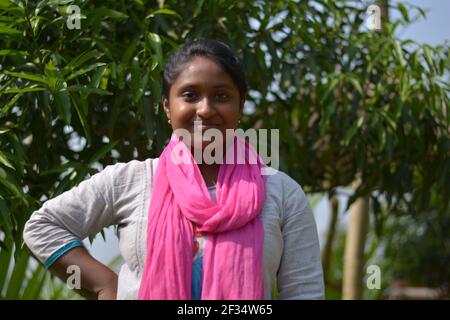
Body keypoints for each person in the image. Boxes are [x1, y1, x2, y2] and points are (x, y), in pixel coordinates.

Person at [23, 39, 324, 300]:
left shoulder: (281, 193)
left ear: (240, 107)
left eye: (221, 96)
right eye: (190, 95)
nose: (205, 109)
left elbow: (304, 291)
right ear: (167, 107)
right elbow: (43, 227)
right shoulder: (133, 180)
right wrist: (104, 285)